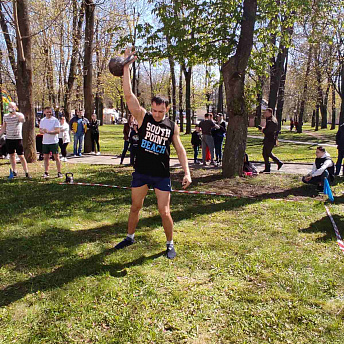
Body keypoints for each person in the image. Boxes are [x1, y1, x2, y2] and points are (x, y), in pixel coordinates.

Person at [114, 47, 192, 259]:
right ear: (152, 108)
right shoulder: (143, 117)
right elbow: (129, 95)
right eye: (155, 110)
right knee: (135, 207)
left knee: (164, 211)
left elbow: (180, 149)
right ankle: (130, 237)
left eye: (161, 111)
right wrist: (127, 67)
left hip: (161, 174)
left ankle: (169, 243)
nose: (157, 114)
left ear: (167, 109)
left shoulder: (171, 126)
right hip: (141, 172)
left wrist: (187, 172)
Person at [0, 102, 31, 178]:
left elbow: (22, 120)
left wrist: (14, 112)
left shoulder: (19, 115)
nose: (11, 108)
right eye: (9, 107)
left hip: (17, 138)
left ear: (15, 107)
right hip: (9, 138)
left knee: (21, 156)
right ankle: (14, 171)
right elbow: (4, 127)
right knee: (12, 155)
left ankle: (26, 172)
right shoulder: (5, 116)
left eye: (12, 106)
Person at [39, 106, 63, 178]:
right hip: (45, 142)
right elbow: (40, 130)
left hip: (54, 142)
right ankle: (46, 172)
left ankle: (59, 172)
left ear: (51, 112)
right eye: (47, 112)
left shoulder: (55, 120)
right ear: (44, 112)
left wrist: (49, 132)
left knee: (56, 157)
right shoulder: (42, 120)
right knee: (46, 157)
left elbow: (57, 131)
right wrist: (43, 131)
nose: (48, 113)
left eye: (49, 112)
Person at [259, 108, 283, 173]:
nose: (265, 114)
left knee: (267, 153)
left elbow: (268, 131)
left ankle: (278, 162)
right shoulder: (271, 119)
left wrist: (262, 129)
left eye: (266, 112)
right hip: (269, 139)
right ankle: (269, 167)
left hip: (270, 139)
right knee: (266, 153)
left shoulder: (271, 121)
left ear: (270, 112)